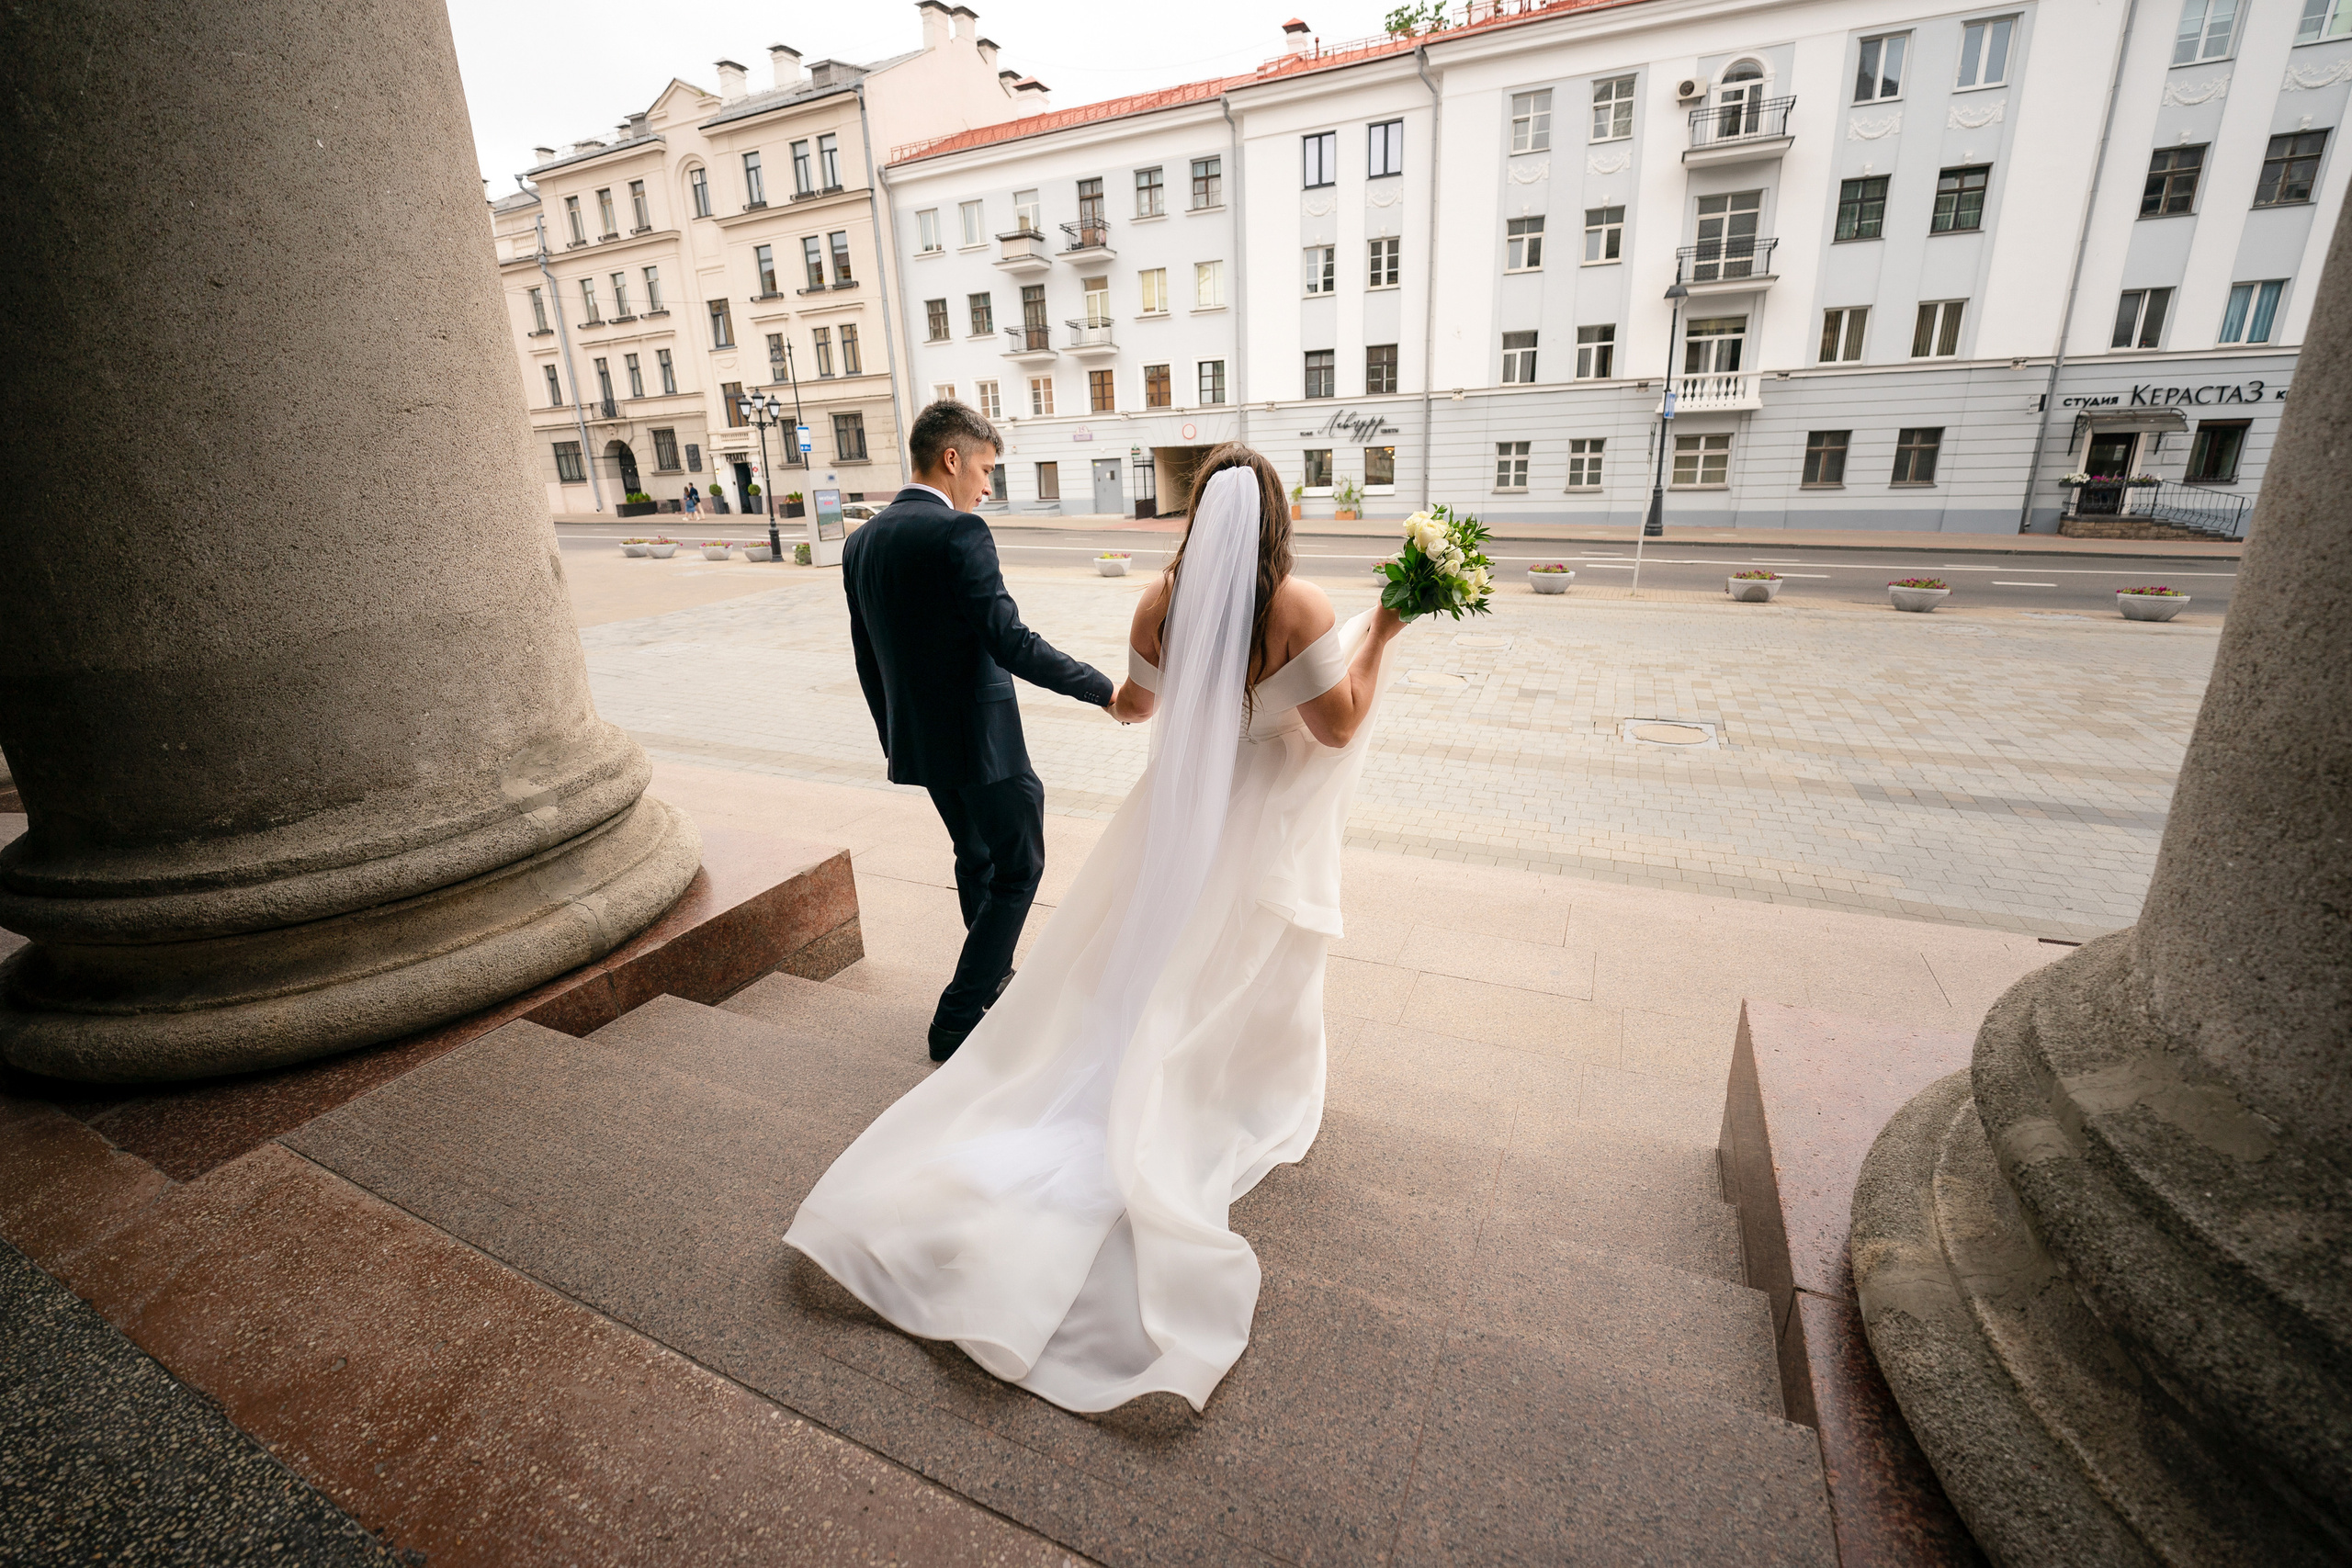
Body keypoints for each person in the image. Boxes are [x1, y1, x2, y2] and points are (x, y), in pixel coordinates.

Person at [787, 443, 1409, 1416]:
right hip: (1256, 825)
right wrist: (1388, 630)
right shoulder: (1301, 607)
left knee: (1143, 956)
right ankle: (1229, 1083)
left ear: (1199, 513)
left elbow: (1134, 706)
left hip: (1169, 820)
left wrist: (1161, 697)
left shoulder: (1159, 602)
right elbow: (1337, 725)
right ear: (1279, 514)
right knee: (1246, 965)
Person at [841, 400, 1114, 1062]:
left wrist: (896, 738)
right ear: (952, 458)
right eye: (986, 469)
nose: (988, 487)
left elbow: (866, 658)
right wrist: (1103, 689)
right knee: (1020, 867)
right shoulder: (960, 534)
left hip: (922, 744)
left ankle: (989, 981)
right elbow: (1011, 641)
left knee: (977, 858)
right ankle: (960, 1013)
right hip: (985, 744)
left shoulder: (861, 541)